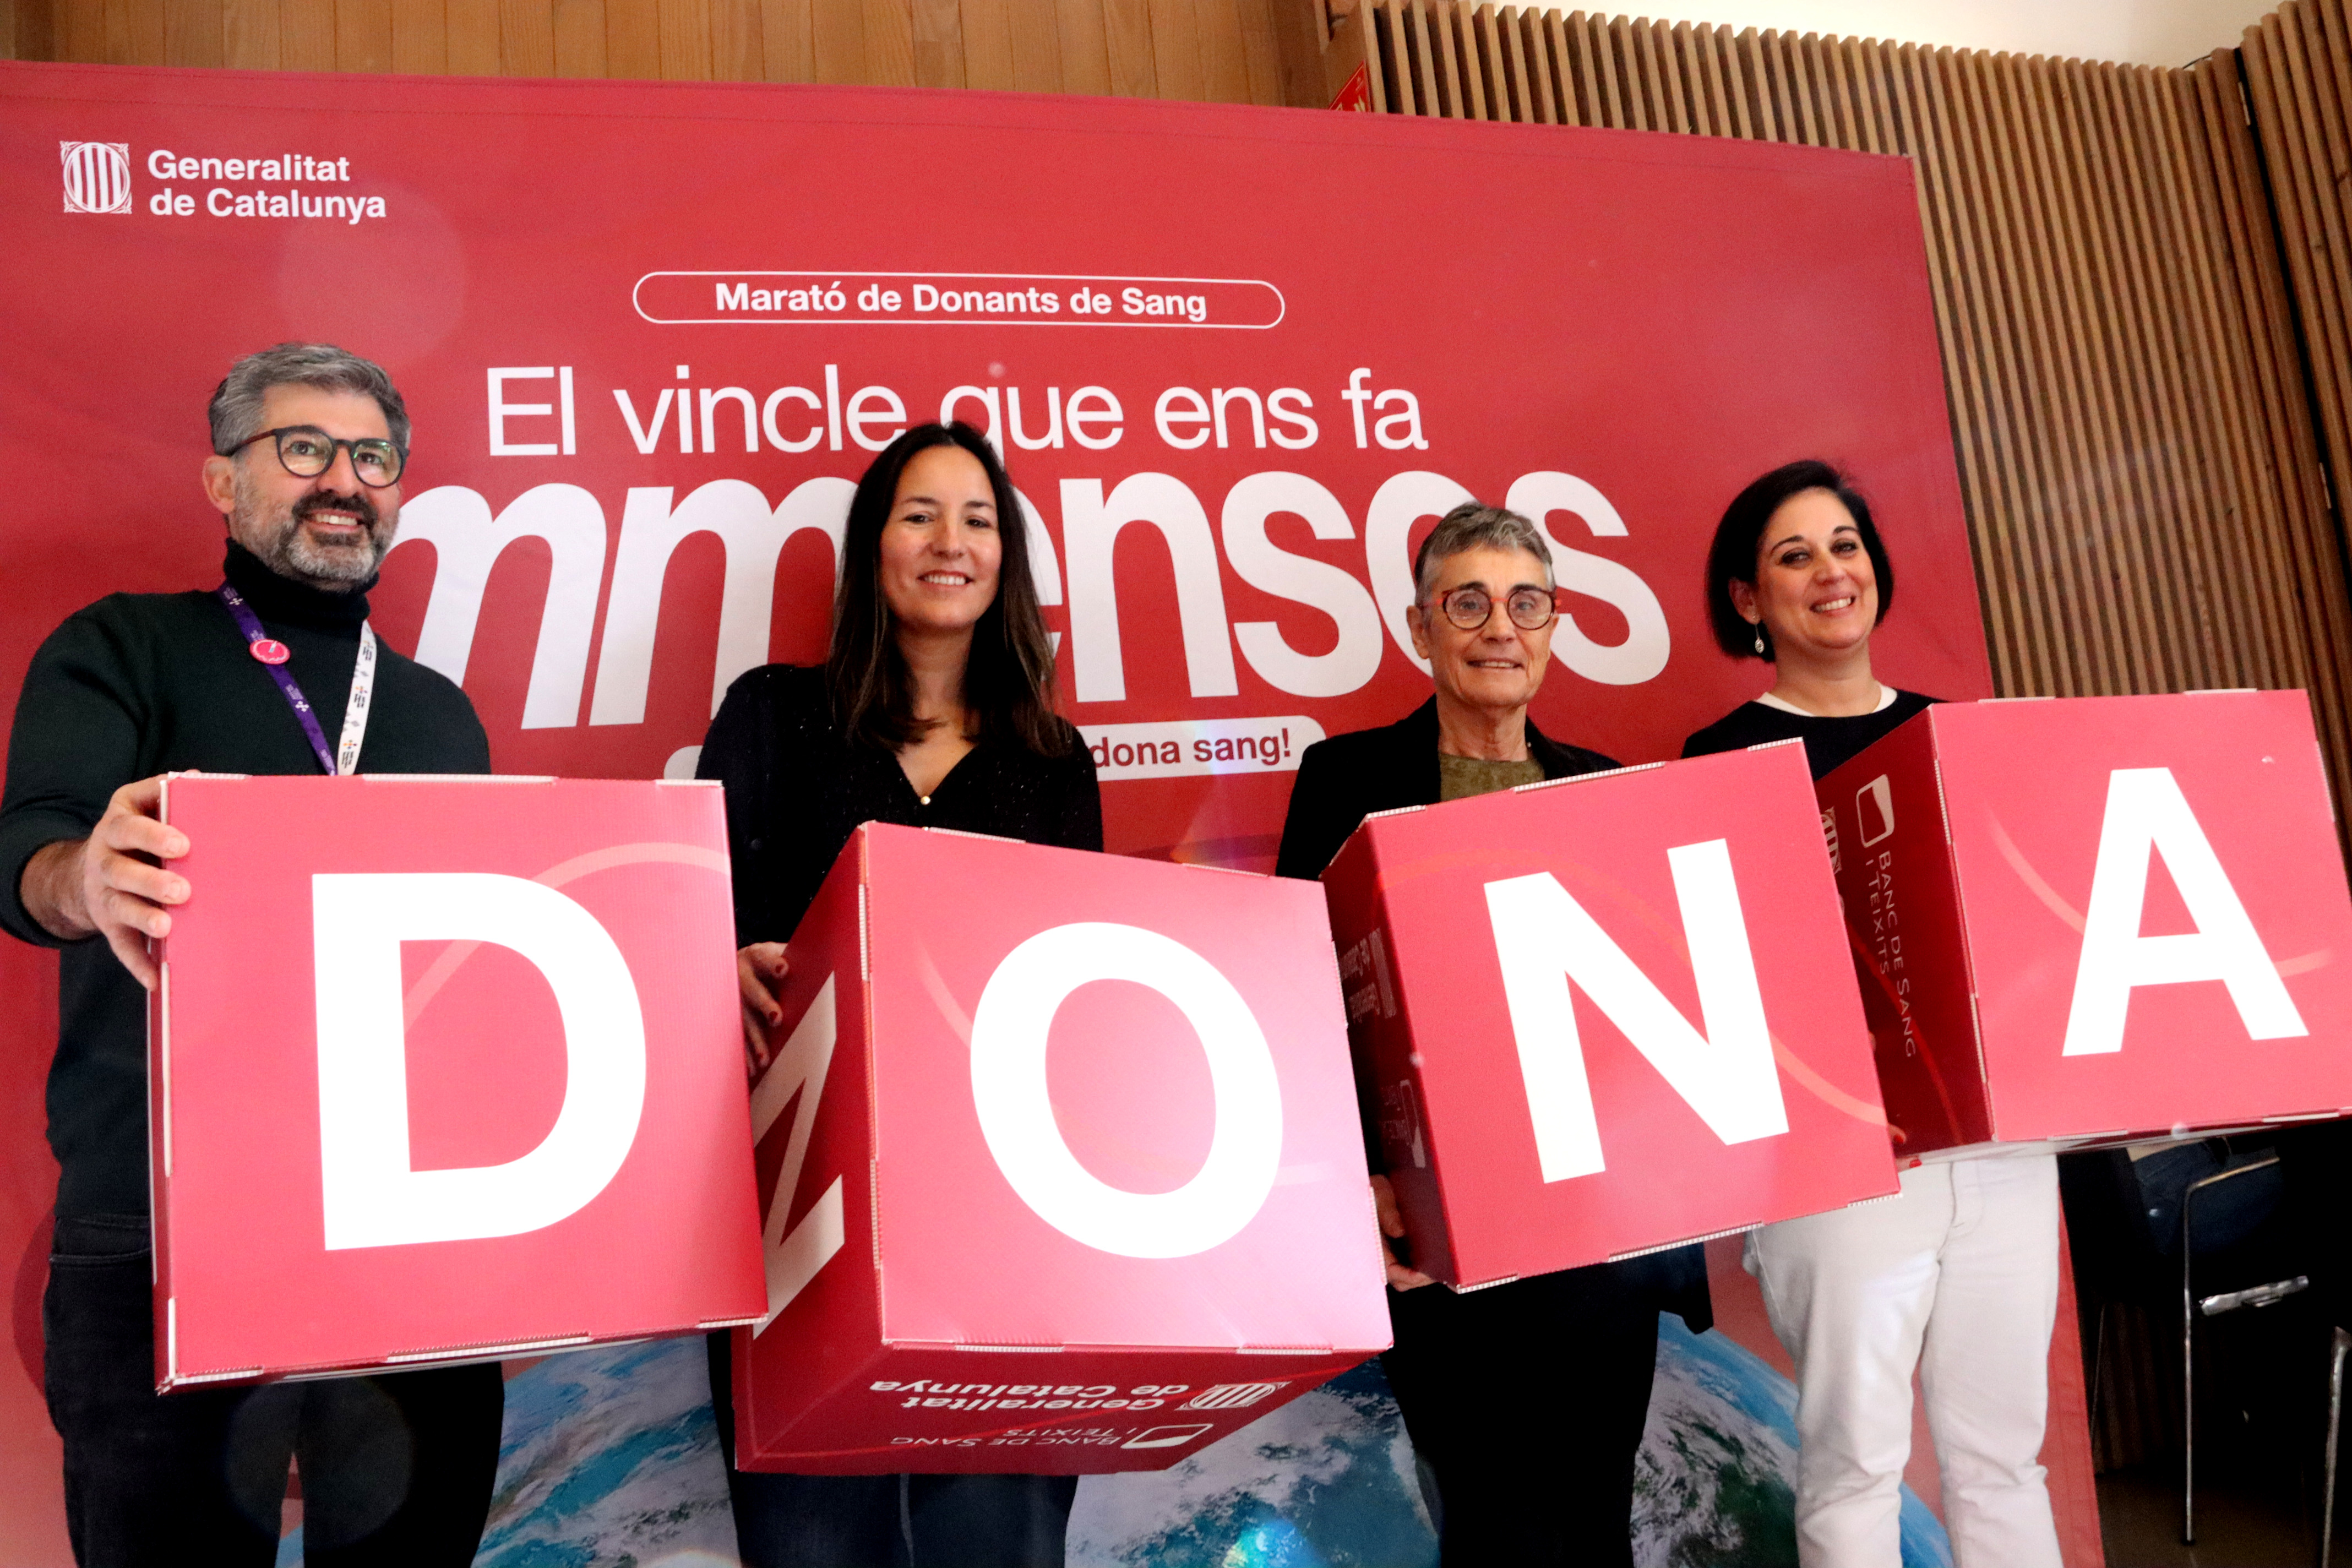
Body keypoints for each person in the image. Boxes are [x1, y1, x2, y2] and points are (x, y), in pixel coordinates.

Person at [0, 344, 505, 1566]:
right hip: (167, 1225)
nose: (344, 478)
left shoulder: (441, 712)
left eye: (372, 455)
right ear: (225, 482)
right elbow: (32, 848)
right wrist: (80, 874)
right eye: (304, 447)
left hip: (412, 1235)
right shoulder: (123, 647)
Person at [1275, 502, 1709, 1568]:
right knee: (1495, 1529)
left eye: (1526, 603)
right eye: (1466, 602)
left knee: (1598, 1522)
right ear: (1421, 628)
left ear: (1555, 625)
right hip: (1443, 1240)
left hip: (1601, 1234)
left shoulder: (1610, 789)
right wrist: (1359, 1180)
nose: (1498, 627)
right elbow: (1298, 992)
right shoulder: (1345, 780)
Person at [697, 421, 1101, 1567]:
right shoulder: (773, 713)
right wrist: (713, 960)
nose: (949, 542)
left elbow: (1079, 993)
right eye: (918, 513)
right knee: (813, 1543)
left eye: (979, 520)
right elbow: (681, 922)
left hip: (1004, 1222)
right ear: (872, 547)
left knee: (1002, 1541)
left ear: (1007, 560)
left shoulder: (1054, 758)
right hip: (791, 1214)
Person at [1681, 459, 2061, 1568]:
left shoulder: (1960, 736)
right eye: (1794, 554)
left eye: (1844, 543)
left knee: (2005, 1456)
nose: (1830, 570)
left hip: (1999, 1150)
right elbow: (1728, 984)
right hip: (1842, 1167)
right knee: (1855, 1464)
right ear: (1750, 600)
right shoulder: (1721, 759)